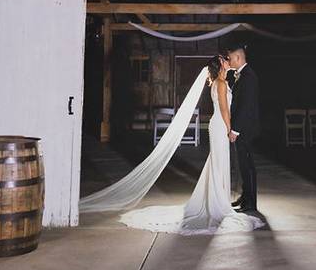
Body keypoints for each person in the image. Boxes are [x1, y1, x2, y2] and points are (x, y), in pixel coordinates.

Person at [81, 54, 264, 235]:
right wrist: (231, 130)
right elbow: (225, 110)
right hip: (221, 126)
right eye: (224, 60)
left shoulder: (217, 83)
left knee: (217, 163)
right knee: (219, 163)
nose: (227, 60)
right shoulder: (222, 84)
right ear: (221, 66)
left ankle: (217, 199)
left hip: (216, 125)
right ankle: (218, 203)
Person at [226, 45, 260, 212]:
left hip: (246, 129)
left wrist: (235, 129)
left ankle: (251, 203)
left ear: (238, 58)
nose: (229, 61)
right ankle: (245, 197)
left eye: (231, 58)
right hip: (244, 128)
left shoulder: (248, 76)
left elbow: (246, 106)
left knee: (247, 165)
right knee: (243, 164)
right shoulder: (242, 75)